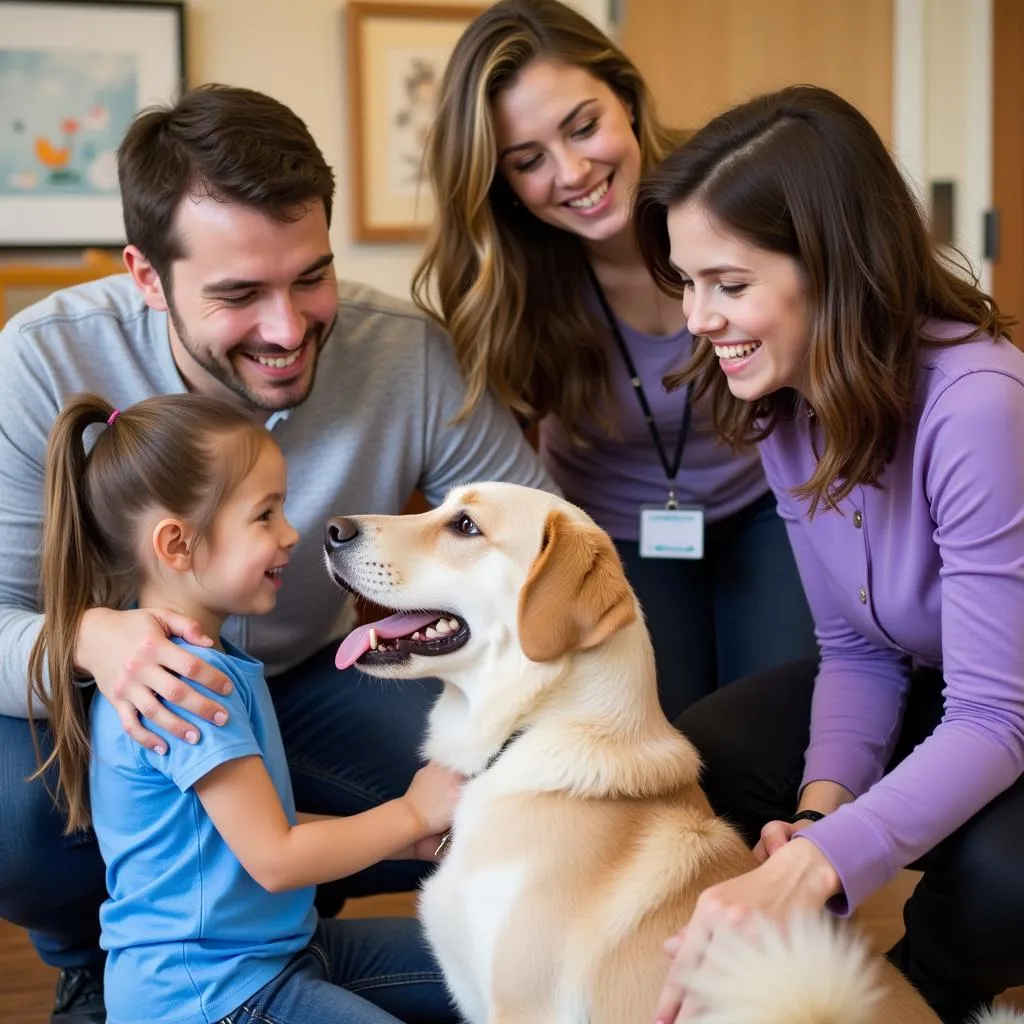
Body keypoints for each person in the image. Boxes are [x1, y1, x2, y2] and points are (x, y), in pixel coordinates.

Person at [0, 84, 554, 1023]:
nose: (288, 329)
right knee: (16, 823)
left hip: (314, 676)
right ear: (146, 276)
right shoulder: (43, 362)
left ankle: (288, 926)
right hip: (127, 710)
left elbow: (543, 534)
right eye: (238, 294)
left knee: (508, 779)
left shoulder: (405, 355)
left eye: (310, 277)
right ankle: (97, 960)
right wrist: (90, 640)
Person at [631, 85, 1024, 1024]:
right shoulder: (786, 398)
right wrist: (814, 823)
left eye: (729, 284)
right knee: (708, 754)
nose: (696, 317)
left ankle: (922, 994)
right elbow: (858, 648)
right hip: (958, 685)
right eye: (687, 283)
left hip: (1006, 698)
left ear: (835, 267)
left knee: (1003, 878)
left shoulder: (978, 402)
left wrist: (820, 864)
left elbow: (996, 713)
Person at [412, 0, 817, 722]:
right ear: (501, 180)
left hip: (770, 505)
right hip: (617, 530)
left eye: (583, 126)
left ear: (625, 99)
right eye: (528, 161)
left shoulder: (733, 192)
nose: (572, 172)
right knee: (675, 736)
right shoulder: (510, 284)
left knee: (785, 717)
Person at [30, 391, 462, 1024]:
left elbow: (253, 831)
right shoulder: (183, 683)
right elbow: (275, 858)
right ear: (176, 545)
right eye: (265, 515)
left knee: (488, 962)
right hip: (211, 996)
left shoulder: (206, 658)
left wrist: (408, 840)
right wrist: (409, 811)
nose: (291, 534)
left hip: (277, 953)